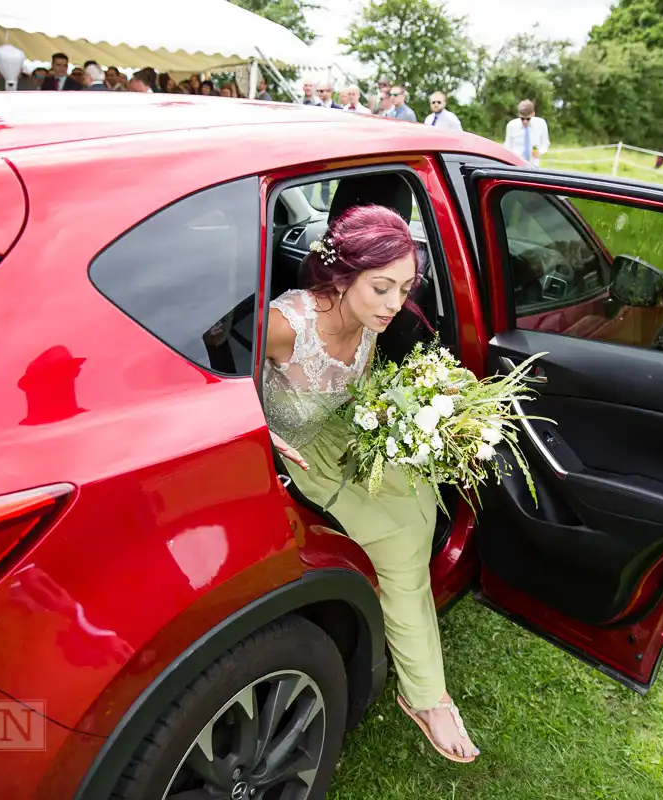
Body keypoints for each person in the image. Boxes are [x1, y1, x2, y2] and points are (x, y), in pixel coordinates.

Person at [262, 205, 480, 764]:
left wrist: (407, 413)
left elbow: (351, 391)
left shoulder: (370, 327)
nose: (394, 305)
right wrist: (253, 428)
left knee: (420, 495)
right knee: (398, 540)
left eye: (405, 289)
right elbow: (212, 370)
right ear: (343, 275)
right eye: (381, 288)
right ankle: (426, 694)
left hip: (335, 433)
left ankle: (408, 633)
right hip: (289, 452)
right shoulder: (286, 325)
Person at [503, 100, 549, 166]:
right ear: (518, 114)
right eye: (522, 118)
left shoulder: (541, 124)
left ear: (533, 114)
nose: (525, 121)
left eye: (528, 119)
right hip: (516, 165)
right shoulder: (511, 126)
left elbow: (545, 144)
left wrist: (539, 152)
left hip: (534, 165)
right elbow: (507, 147)